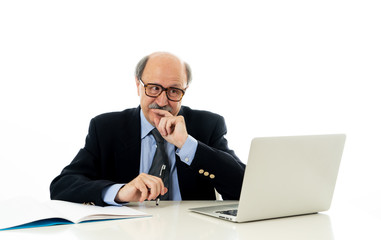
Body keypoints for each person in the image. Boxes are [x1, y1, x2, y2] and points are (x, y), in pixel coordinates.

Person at [50, 52, 245, 206]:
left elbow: (245, 188)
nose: (162, 101)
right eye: (153, 88)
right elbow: (62, 186)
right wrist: (119, 192)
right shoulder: (106, 128)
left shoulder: (208, 125)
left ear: (184, 91)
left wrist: (187, 145)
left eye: (174, 91)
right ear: (138, 85)